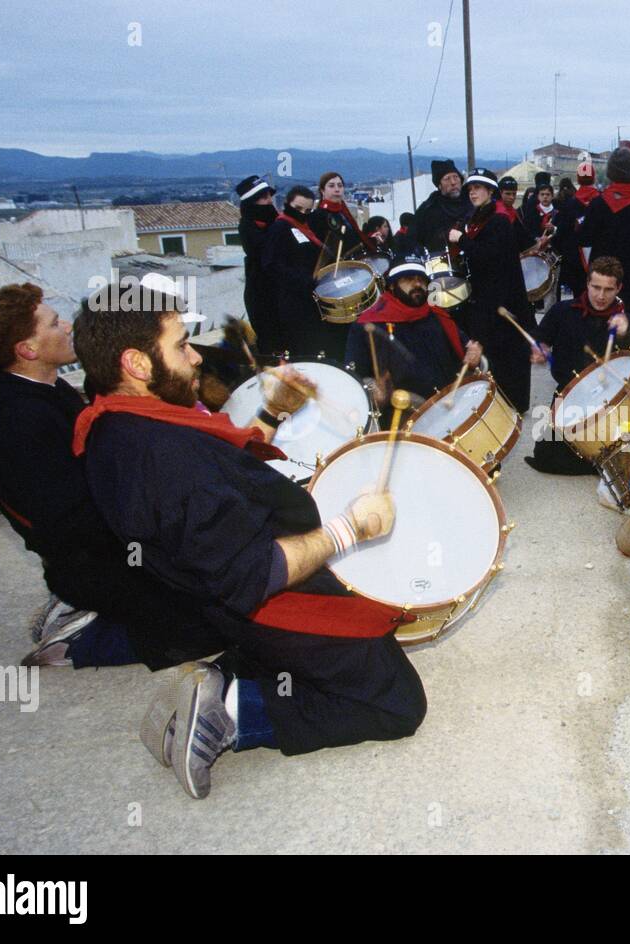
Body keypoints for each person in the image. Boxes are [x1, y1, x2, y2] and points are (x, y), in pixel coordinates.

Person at [72, 290, 426, 799]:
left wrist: (272, 414)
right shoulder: (162, 456)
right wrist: (352, 528)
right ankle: (230, 714)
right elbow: (250, 572)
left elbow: (217, 476)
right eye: (180, 346)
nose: (195, 356)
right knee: (396, 703)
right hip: (270, 603)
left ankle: (235, 673)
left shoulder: (117, 423)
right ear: (136, 363)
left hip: (220, 597)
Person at [0, 283, 230, 670]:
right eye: (54, 324)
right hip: (94, 560)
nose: (67, 327)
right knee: (213, 623)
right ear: (27, 350)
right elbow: (63, 521)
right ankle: (79, 643)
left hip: (101, 545)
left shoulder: (40, 389)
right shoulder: (15, 419)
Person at [525, 255, 630, 476]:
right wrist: (540, 348)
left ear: (619, 288)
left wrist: (627, 334)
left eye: (608, 289)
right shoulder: (563, 311)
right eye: (596, 287)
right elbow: (540, 337)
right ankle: (599, 461)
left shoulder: (627, 320)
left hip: (612, 399)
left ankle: (603, 457)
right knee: (545, 457)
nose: (601, 296)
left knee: (629, 454)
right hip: (570, 393)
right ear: (587, 283)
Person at [449, 168, 539, 412]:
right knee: (495, 353)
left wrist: (462, 241)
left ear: (490, 191)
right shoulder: (480, 218)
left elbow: (489, 256)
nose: (472, 193)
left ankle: (512, 404)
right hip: (487, 294)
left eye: (478, 188)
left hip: (503, 297)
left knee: (507, 351)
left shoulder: (499, 220)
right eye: (470, 189)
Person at [347, 256, 482, 403]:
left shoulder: (437, 314)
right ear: (392, 285)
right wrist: (372, 390)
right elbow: (355, 380)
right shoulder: (366, 326)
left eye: (421, 279)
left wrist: (474, 355)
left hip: (456, 398)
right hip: (410, 415)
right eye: (409, 279)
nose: (417, 284)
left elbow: (467, 349)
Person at [580, 147, 630, 359]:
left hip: (603, 282)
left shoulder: (597, 204)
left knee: (599, 329)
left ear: (611, 172)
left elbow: (584, 242)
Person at [259, 185, 347, 361]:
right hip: (295, 304)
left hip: (311, 300)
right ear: (287, 204)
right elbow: (271, 265)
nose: (302, 213)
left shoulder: (304, 228)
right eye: (297, 208)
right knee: (307, 350)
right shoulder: (280, 228)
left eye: (307, 210)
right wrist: (304, 280)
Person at [235, 175, 281, 355]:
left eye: (269, 196)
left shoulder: (274, 222)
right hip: (263, 296)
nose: (269, 201)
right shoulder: (248, 228)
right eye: (264, 198)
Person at [551, 161, 600, 297]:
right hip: (600, 258)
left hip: (575, 261)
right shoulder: (603, 201)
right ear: (594, 177)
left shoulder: (569, 205)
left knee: (579, 297)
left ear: (578, 179)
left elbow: (560, 234)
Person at [407, 159, 470, 253]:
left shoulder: (472, 203)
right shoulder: (428, 208)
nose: (453, 182)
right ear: (439, 185)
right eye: (447, 179)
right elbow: (413, 239)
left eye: (456, 177)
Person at [310, 171, 373, 259]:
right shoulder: (317, 216)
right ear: (322, 190)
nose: (337, 189)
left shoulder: (344, 212)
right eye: (331, 186)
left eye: (340, 186)